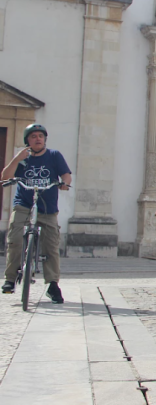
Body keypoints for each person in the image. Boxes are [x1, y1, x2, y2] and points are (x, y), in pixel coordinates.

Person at [2, 124, 71, 303]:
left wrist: (65, 183)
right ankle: (10, 279)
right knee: (15, 239)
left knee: (51, 245)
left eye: (40, 136)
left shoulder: (54, 155)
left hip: (47, 208)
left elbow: (66, 175)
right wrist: (17, 159)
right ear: (27, 141)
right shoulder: (23, 158)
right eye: (33, 136)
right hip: (23, 205)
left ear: (45, 139)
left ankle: (52, 284)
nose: (38, 139)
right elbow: (5, 177)